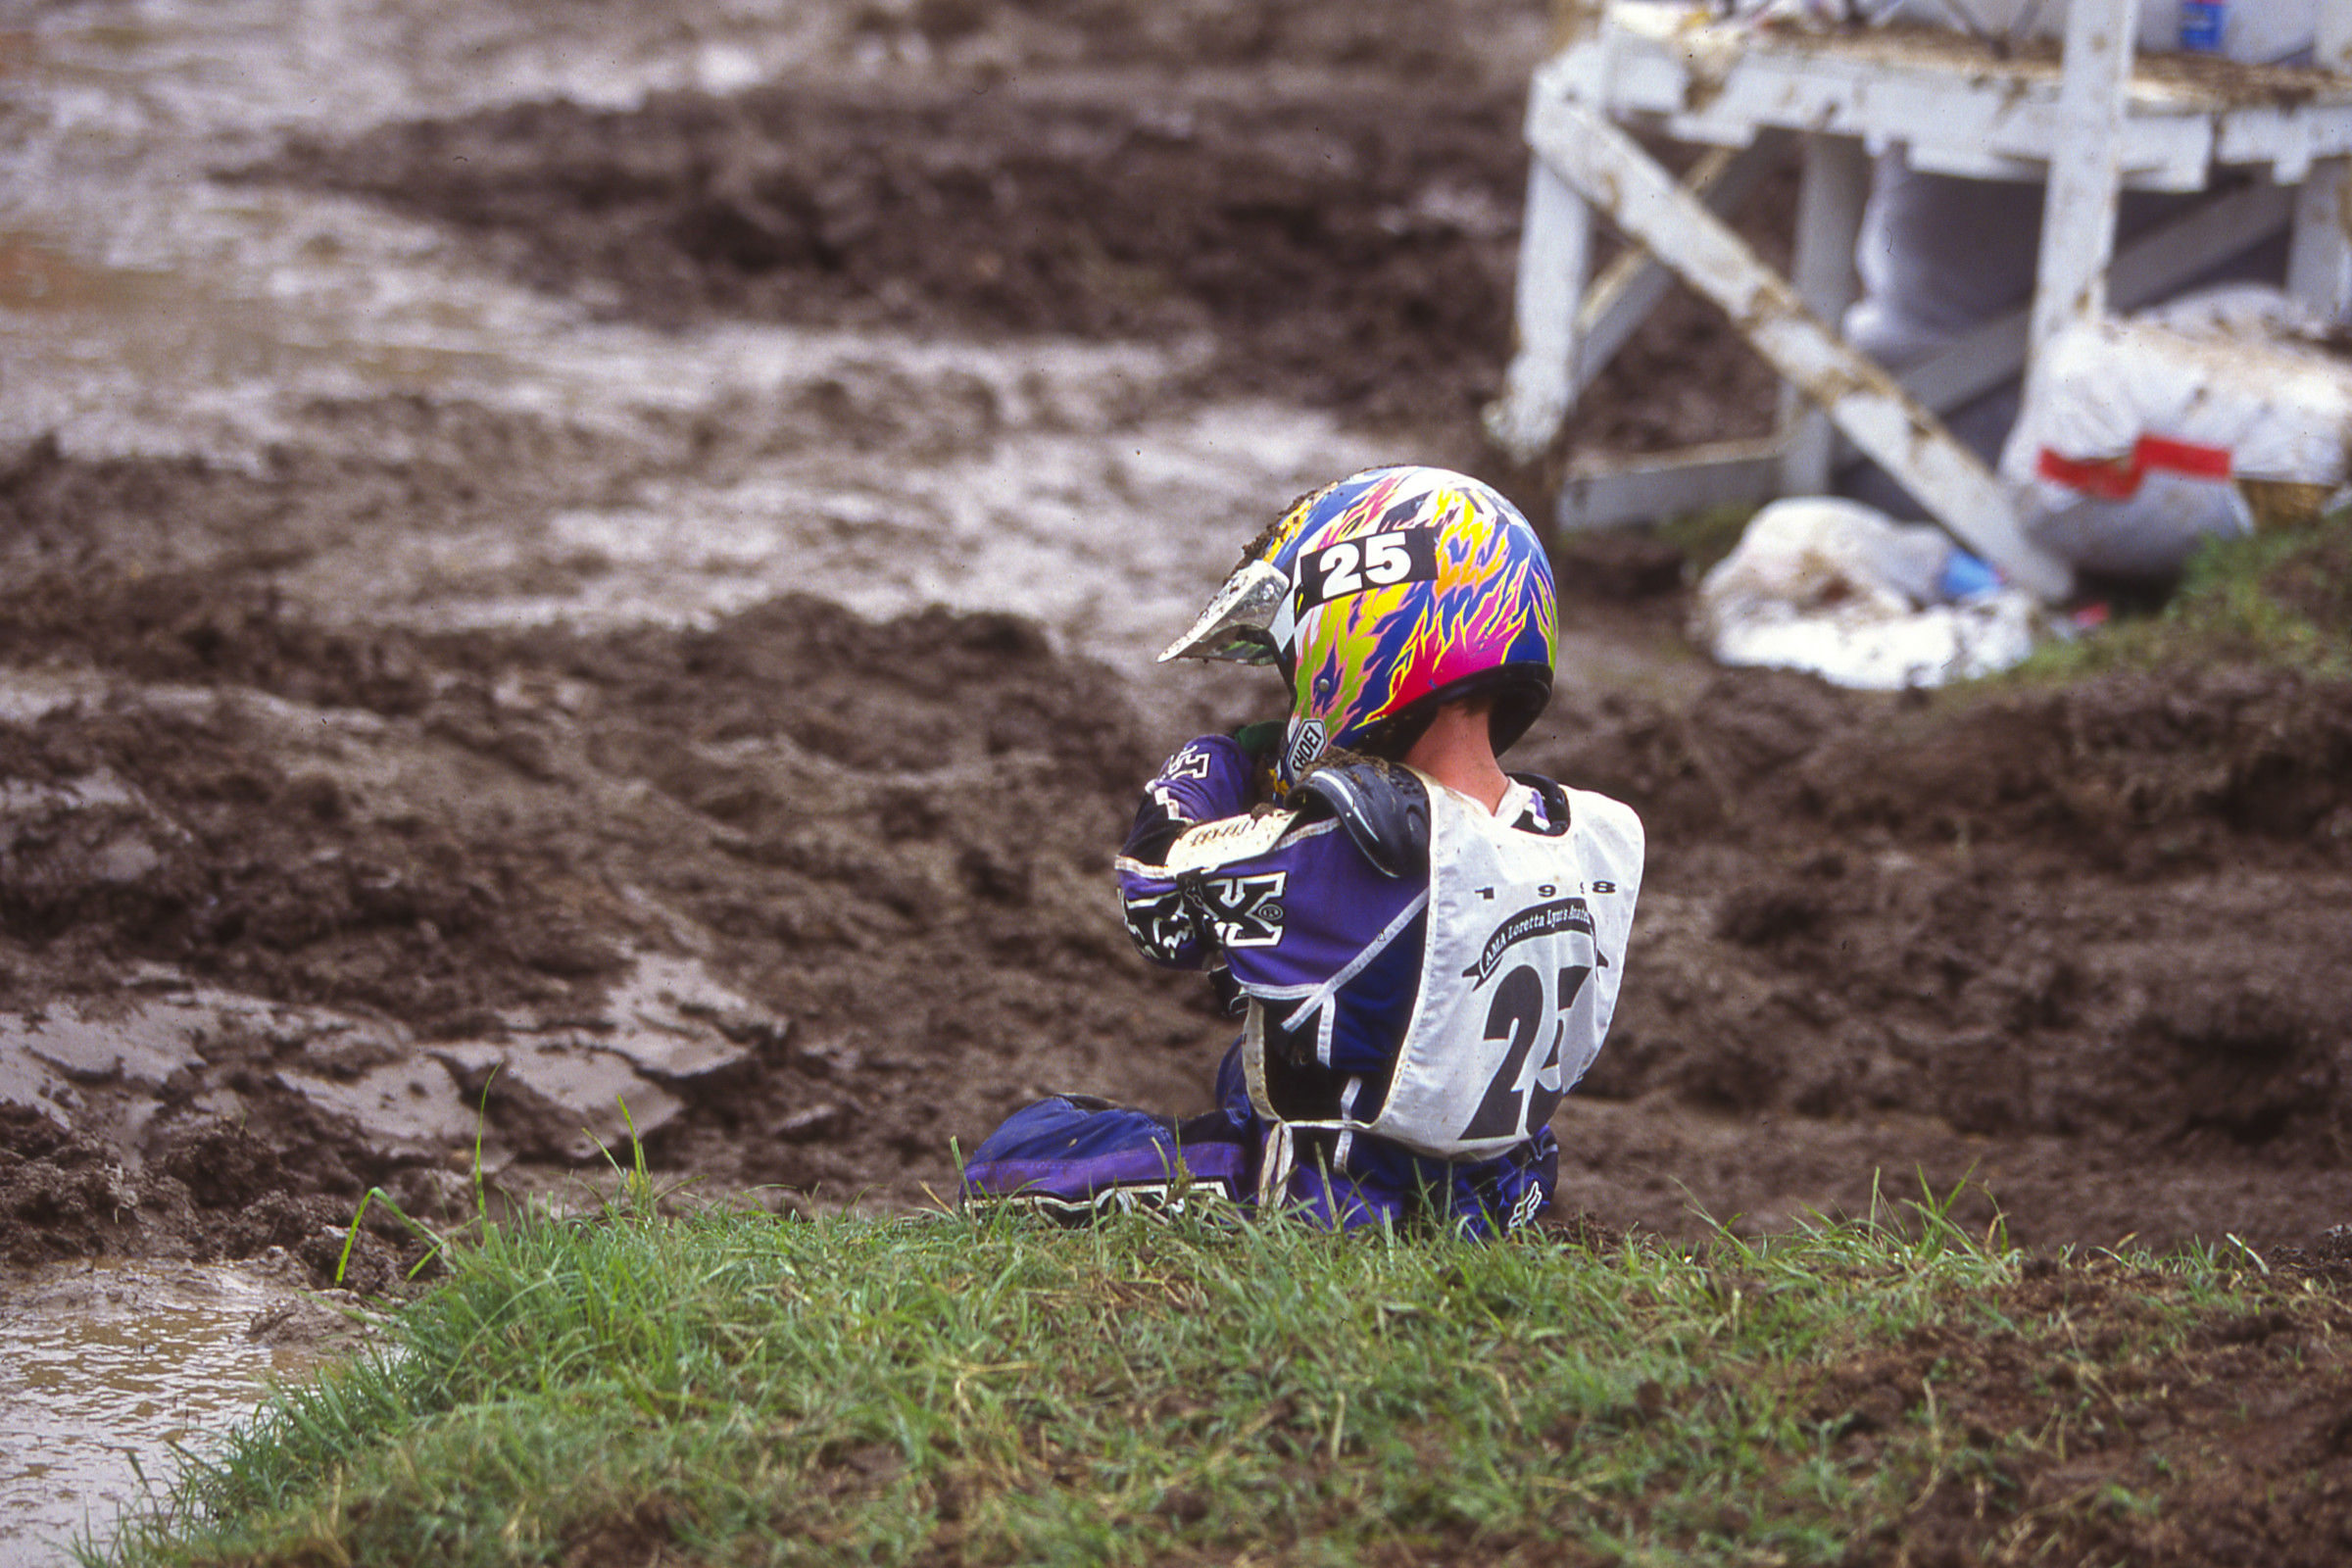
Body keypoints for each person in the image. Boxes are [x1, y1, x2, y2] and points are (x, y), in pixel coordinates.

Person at [960, 466, 1645, 1236]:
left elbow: (1156, 898)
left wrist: (1214, 764)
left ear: (1364, 632)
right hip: (1494, 1197)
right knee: (1253, 1064)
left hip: (1335, 1201)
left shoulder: (1357, 852)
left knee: (1014, 1158)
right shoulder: (1586, 835)